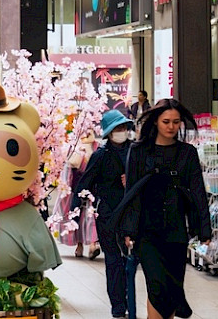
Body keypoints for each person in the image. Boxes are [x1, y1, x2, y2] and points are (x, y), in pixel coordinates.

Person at [119, 99, 211, 319]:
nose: (171, 127)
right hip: (147, 232)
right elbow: (132, 193)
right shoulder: (139, 151)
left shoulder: (187, 153)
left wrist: (204, 230)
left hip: (176, 231)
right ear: (156, 122)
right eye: (166, 121)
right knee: (157, 287)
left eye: (176, 122)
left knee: (170, 289)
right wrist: (127, 229)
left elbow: (198, 192)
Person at [70, 110, 133, 319]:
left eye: (124, 128)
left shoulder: (136, 152)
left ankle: (128, 299)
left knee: (131, 260)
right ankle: (118, 305)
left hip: (133, 213)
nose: (121, 132)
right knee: (113, 259)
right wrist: (75, 210)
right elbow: (84, 183)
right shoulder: (100, 155)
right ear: (109, 133)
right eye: (117, 129)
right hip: (107, 213)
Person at [55, 130, 99, 258]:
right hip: (76, 187)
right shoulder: (73, 146)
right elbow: (67, 168)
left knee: (91, 217)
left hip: (92, 188)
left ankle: (93, 245)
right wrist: (65, 188)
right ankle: (79, 245)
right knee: (77, 216)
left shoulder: (97, 146)